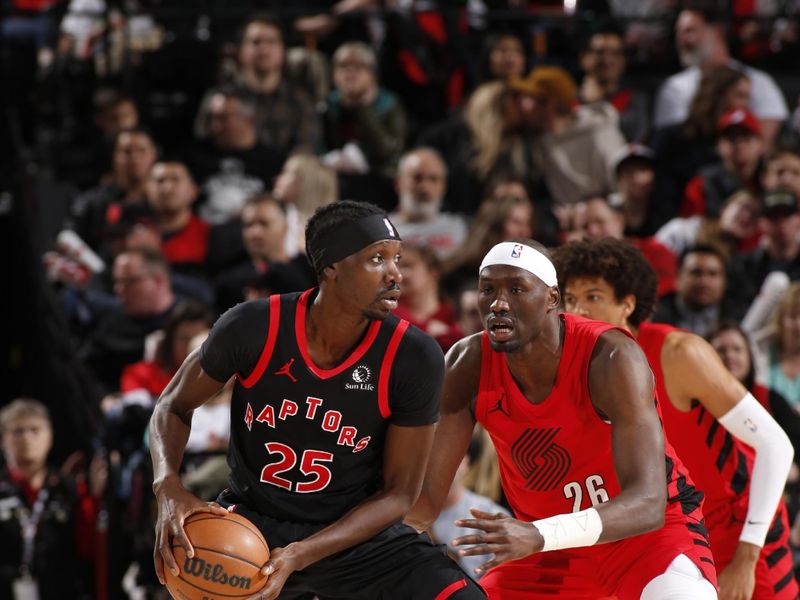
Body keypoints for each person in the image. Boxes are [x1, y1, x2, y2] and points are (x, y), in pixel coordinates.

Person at [149, 200, 485, 599]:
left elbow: (399, 495)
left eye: (398, 258)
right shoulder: (253, 328)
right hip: (253, 527)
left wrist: (302, 553)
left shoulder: (413, 356)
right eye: (377, 259)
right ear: (331, 268)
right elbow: (172, 405)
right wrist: (168, 486)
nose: (396, 274)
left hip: (353, 536)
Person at [408, 239, 718, 599]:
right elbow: (425, 501)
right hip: (546, 552)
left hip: (645, 539)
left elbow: (648, 504)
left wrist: (540, 534)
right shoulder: (467, 364)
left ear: (552, 298)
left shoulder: (611, 357)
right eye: (488, 290)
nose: (499, 304)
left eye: (517, 289)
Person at [553, 237, 797, 600]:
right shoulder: (574, 371)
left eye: (593, 297)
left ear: (628, 304)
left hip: (741, 525)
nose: (579, 311)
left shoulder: (679, 354)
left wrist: (747, 557)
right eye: (570, 300)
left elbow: (776, 445)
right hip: (669, 526)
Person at [0, 398, 107, 600]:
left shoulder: (69, 488)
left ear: (50, 437)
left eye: (35, 430)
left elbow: (89, 548)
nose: (27, 438)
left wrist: (95, 499)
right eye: (18, 431)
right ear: (3, 439)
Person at [653, 7, 788, 145]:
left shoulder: (758, 81)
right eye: (678, 33)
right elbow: (672, 142)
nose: (682, 40)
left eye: (690, 30)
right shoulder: (673, 87)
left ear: (717, 31)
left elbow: (765, 140)